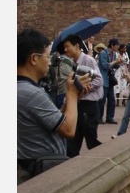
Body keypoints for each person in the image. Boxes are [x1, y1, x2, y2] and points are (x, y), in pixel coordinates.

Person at [17, 28, 87, 184]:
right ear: (34, 59)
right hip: (41, 173)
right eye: (47, 56)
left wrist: (71, 99)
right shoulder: (31, 93)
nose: (50, 61)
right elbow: (68, 129)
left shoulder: (23, 88)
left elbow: (54, 121)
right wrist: (72, 94)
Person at [62, 34, 104, 157]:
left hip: (89, 106)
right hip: (79, 105)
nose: (65, 50)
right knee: (74, 140)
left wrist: (85, 88)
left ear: (76, 46)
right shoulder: (74, 63)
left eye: (67, 46)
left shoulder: (88, 60)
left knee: (91, 141)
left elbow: (99, 80)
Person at [98, 38, 122, 124]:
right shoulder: (103, 53)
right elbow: (105, 66)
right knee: (102, 100)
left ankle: (110, 117)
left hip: (110, 80)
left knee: (112, 99)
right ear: (112, 45)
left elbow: (114, 66)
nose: (118, 47)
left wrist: (119, 63)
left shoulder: (114, 54)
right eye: (117, 45)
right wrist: (115, 61)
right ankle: (99, 117)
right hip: (104, 79)